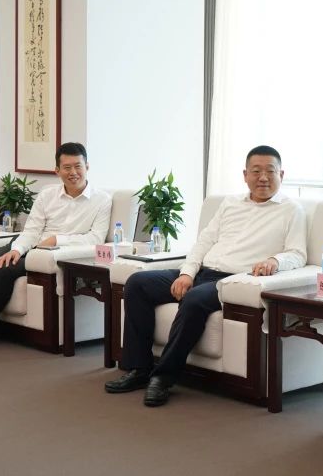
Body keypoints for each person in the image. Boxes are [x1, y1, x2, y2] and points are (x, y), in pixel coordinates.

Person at [104, 145, 306, 407]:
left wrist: (274, 261)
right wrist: (187, 274)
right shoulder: (230, 204)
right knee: (137, 283)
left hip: (233, 281)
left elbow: (297, 254)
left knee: (194, 299)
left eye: (270, 171)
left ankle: (163, 377)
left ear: (282, 174)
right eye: (256, 171)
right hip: (202, 272)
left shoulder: (291, 210)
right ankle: (139, 369)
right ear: (245, 175)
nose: (263, 178)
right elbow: (203, 242)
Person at [0, 142, 111, 349]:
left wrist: (56, 240)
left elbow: (95, 238)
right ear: (57, 170)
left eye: (78, 166)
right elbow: (32, 230)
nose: (73, 172)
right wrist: (17, 250)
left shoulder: (102, 200)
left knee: (5, 270)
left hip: (51, 254)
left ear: (87, 166)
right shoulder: (47, 195)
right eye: (67, 167)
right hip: (28, 243)